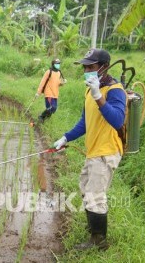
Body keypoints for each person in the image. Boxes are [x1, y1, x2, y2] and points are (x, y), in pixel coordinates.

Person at [53, 48, 127, 250]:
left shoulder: (115, 90)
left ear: (104, 67)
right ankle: (94, 229)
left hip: (107, 151)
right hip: (93, 150)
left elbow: (118, 120)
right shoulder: (89, 89)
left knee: (95, 195)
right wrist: (65, 137)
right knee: (86, 188)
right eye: (85, 66)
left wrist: (98, 96)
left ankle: (99, 241)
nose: (86, 70)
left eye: (91, 66)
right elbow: (85, 122)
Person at [35, 58, 67, 123]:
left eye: (59, 64)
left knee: (53, 109)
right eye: (57, 64)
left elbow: (58, 83)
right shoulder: (49, 72)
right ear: (53, 64)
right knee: (52, 107)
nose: (58, 65)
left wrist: (63, 83)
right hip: (49, 93)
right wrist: (38, 92)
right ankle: (41, 116)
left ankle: (44, 120)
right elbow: (42, 82)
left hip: (55, 94)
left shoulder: (59, 72)